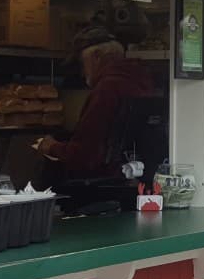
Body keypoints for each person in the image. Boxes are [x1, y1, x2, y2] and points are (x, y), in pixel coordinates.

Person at [35, 29, 155, 181]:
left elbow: (86, 154)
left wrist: (52, 147)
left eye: (82, 63)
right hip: (133, 175)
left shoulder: (107, 89)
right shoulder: (141, 80)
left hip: (103, 182)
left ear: (97, 57)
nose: (82, 73)